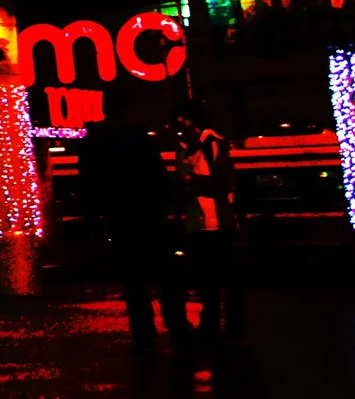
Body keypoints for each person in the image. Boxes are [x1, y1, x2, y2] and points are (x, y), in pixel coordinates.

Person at [82, 87, 188, 355]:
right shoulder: (139, 138)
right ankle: (177, 328)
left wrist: (94, 221)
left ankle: (144, 334)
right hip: (150, 215)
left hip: (120, 217)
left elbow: (89, 186)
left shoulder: (95, 139)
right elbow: (158, 177)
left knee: (133, 280)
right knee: (167, 276)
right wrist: (166, 206)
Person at [172, 100, 240, 344]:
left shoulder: (213, 145)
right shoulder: (182, 150)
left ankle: (233, 328)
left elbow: (226, 183)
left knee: (227, 279)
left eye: (182, 120)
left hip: (218, 224)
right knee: (207, 279)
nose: (177, 126)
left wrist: (192, 181)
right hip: (196, 225)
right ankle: (211, 324)